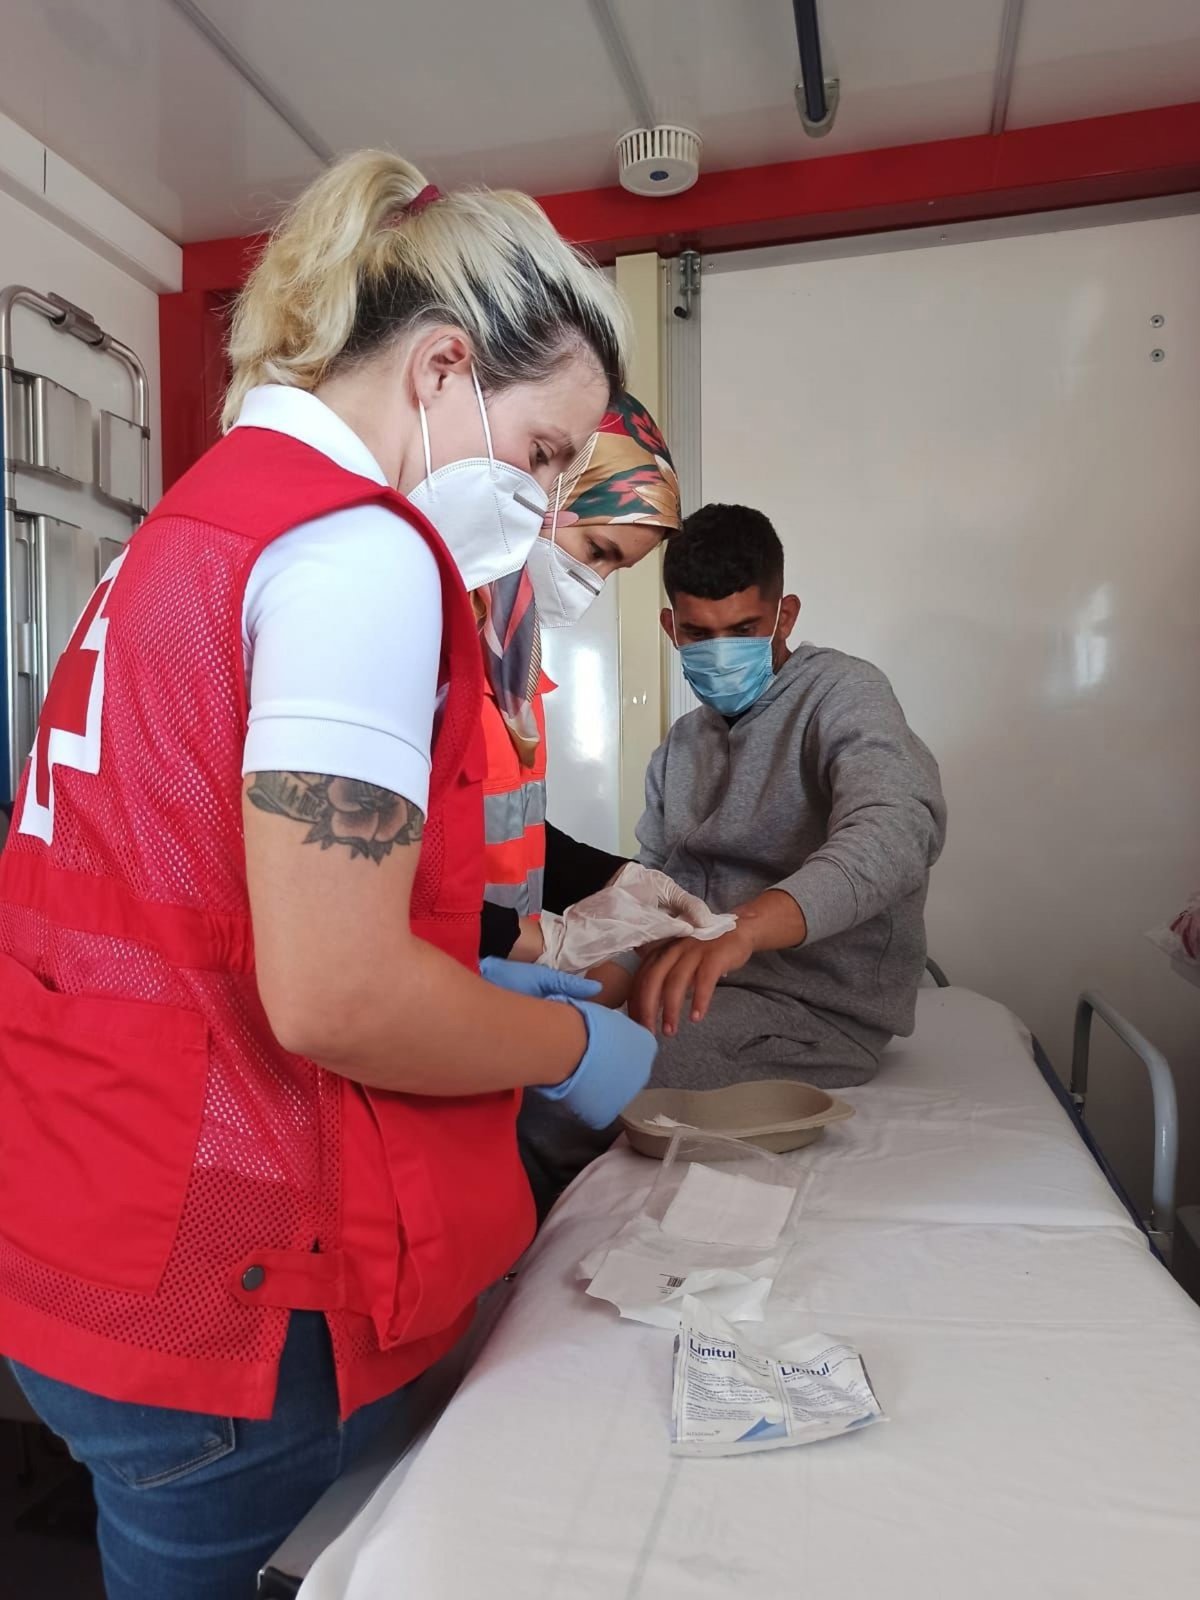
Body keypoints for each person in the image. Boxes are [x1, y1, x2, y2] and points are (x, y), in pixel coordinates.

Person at [0, 150, 656, 1600]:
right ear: (441, 370)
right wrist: (568, 1048)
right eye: (545, 453)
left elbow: (207, 898)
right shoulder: (355, 555)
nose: (548, 500)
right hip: (224, 1280)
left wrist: (469, 973)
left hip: (81, 1219)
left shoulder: (191, 526)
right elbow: (337, 995)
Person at [521, 501, 947, 1203]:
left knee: (572, 1087)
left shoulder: (844, 695)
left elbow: (896, 830)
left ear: (784, 616)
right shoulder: (681, 749)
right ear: (671, 628)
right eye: (698, 633)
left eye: (743, 630)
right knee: (526, 1047)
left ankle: (517, 1236)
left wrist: (743, 931)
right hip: (704, 986)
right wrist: (586, 983)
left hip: (812, 1012)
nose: (720, 652)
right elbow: (659, 897)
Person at [476, 391, 680, 968]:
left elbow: (510, 833)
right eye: (596, 550)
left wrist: (619, 879)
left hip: (482, 969)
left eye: (615, 568)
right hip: (429, 972)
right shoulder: (436, 641)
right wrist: (539, 944)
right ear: (545, 489)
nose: (593, 582)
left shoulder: (513, 661)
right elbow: (385, 867)